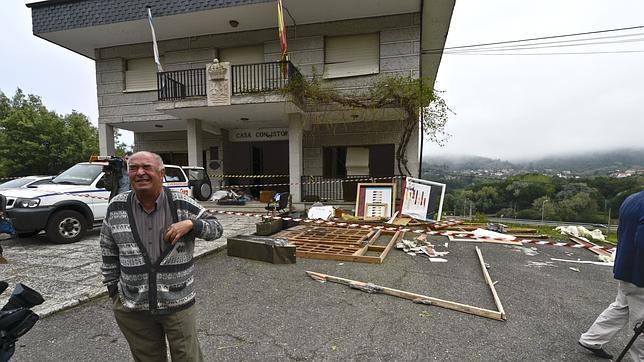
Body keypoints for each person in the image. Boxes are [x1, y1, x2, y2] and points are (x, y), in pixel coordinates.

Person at [100, 151, 223, 361]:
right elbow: (108, 250)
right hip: (133, 304)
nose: (140, 173)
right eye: (133, 168)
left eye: (146, 167)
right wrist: (114, 290)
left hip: (177, 302)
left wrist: (192, 224)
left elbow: (216, 228)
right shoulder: (117, 206)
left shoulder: (182, 203)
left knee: (187, 357)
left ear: (161, 172)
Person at [578, 190, 644, 360]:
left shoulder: (633, 199)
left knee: (621, 307)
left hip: (625, 267)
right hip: (640, 274)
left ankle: (591, 339)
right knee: (641, 321)